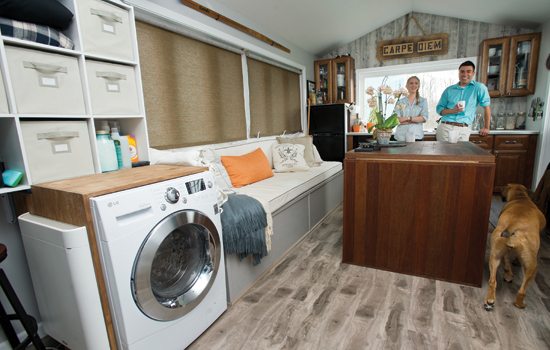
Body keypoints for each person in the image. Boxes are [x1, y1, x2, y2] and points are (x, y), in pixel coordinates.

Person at [436, 60, 491, 141]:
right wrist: (453, 110)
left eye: (468, 71)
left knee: (461, 153)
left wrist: (486, 127)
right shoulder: (449, 90)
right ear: (459, 73)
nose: (465, 74)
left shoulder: (479, 88)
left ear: (473, 73)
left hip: (463, 128)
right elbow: (439, 110)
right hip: (445, 127)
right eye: (462, 71)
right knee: (443, 153)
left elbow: (486, 107)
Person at [394, 76, 428, 141]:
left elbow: (424, 118)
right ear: (406, 86)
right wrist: (416, 120)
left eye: (416, 83)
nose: (413, 85)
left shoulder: (423, 101)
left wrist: (407, 118)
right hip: (400, 137)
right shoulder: (400, 101)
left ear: (418, 86)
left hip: (417, 136)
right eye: (411, 83)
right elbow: (397, 120)